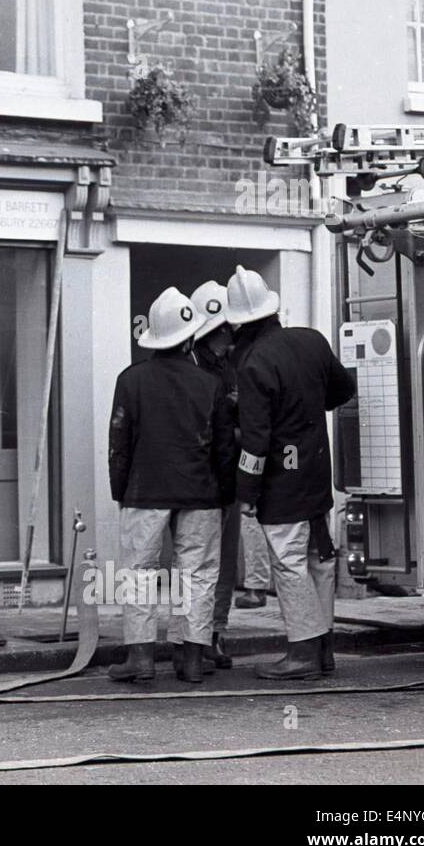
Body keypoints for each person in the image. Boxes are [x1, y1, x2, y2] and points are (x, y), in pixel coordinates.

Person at [226, 266, 356, 679]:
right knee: (320, 558)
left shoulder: (252, 363)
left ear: (240, 325)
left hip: (281, 484)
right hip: (317, 472)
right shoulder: (312, 341)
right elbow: (343, 390)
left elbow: (256, 440)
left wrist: (246, 491)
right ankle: (324, 650)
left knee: (288, 561)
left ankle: (301, 652)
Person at [107, 287, 235, 684]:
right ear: (191, 337)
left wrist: (120, 491)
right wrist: (225, 493)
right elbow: (225, 448)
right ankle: (192, 659)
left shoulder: (131, 380)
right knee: (197, 573)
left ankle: (141, 658)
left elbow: (119, 445)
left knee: (139, 572)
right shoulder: (209, 385)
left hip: (145, 490)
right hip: (201, 491)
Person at [189, 280, 239, 669]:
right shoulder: (193, 370)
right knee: (199, 566)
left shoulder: (228, 364)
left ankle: (215, 633)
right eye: (225, 329)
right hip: (202, 482)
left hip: (227, 475)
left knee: (223, 564)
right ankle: (195, 638)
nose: (231, 334)